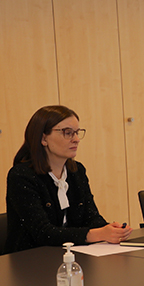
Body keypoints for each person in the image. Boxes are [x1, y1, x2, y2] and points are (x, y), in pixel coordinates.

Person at [5, 105, 132, 254]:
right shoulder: (21, 176)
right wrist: (96, 234)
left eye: (77, 133)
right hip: (30, 261)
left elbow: (91, 217)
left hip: (71, 255)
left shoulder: (76, 171)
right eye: (68, 133)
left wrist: (110, 230)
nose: (76, 139)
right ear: (43, 138)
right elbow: (43, 233)